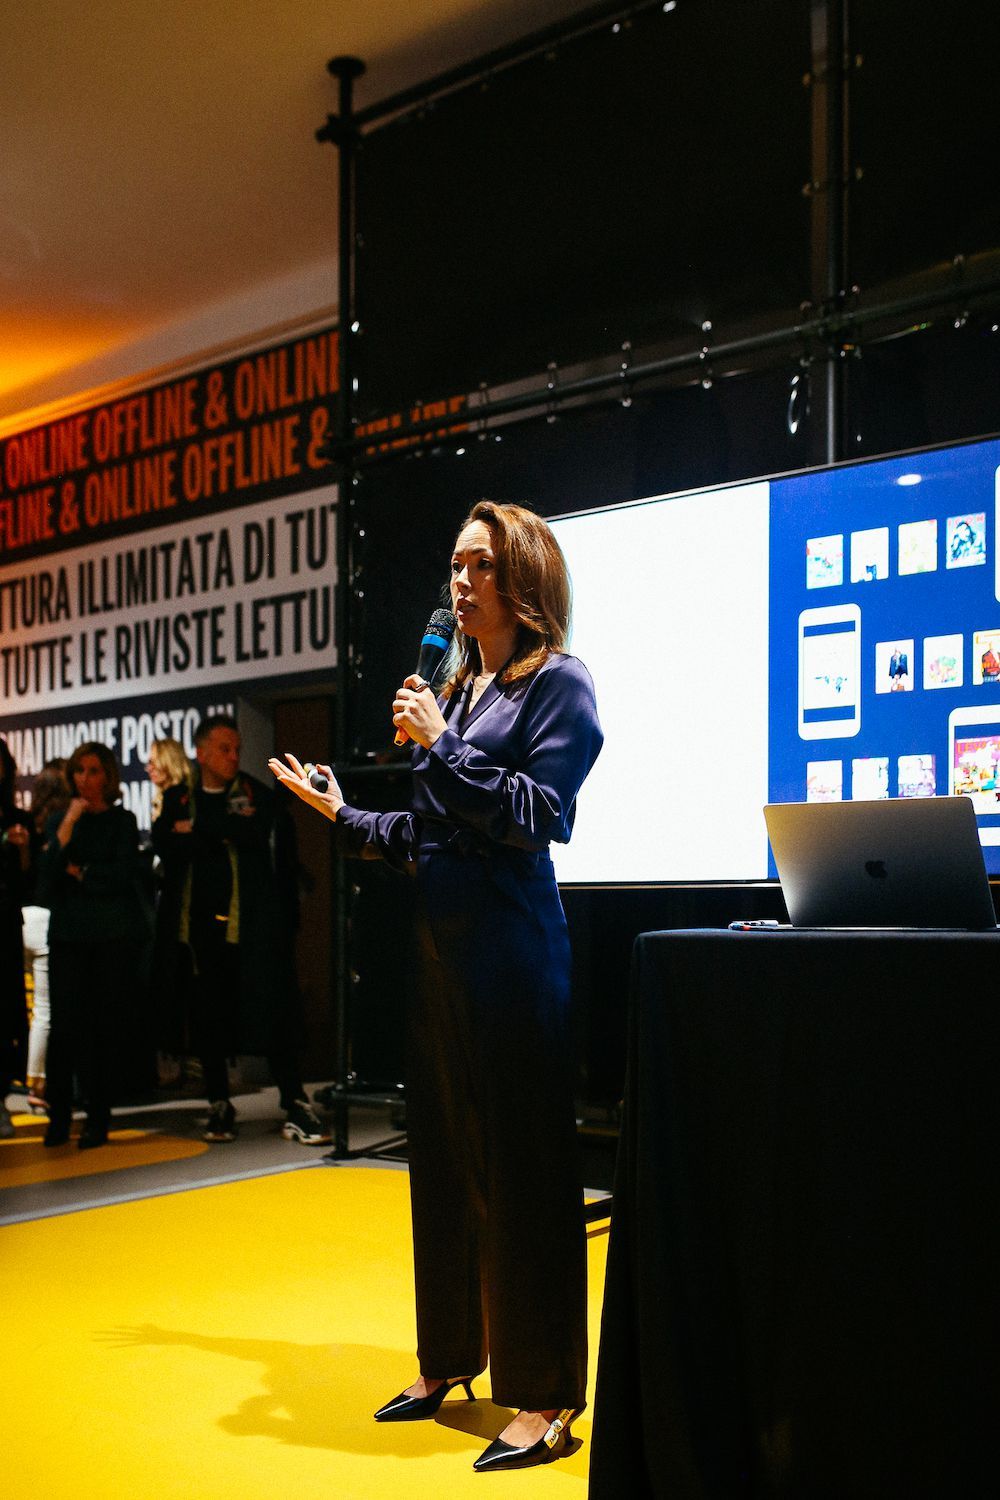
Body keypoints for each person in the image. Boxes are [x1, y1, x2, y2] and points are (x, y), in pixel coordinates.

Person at [270, 500, 604, 1473]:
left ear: (524, 575)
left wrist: (439, 745)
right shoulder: (457, 692)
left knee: (525, 1179)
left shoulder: (558, 684)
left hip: (513, 958)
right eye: (455, 565)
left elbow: (538, 814)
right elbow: (426, 836)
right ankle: (448, 1358)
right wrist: (340, 812)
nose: (460, 582)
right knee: (446, 1169)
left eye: (480, 565)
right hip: (439, 957)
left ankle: (545, 1394)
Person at [152, 714, 328, 1146]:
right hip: (199, 934)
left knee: (274, 1014)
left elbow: (251, 831)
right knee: (208, 1018)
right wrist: (217, 831)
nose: (234, 757)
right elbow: (167, 844)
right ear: (201, 753)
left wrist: (200, 830)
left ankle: (295, 1103)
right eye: (224, 749)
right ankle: (219, 1103)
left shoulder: (254, 794)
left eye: (237, 749)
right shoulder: (178, 798)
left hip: (252, 930)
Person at [38, 742, 149, 1149]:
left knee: (102, 1029)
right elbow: (47, 878)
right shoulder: (60, 820)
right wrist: (67, 827)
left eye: (94, 770)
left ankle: (97, 1118)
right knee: (63, 1028)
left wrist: (81, 871)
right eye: (79, 771)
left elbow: (120, 876)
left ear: (108, 776)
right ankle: (58, 1116)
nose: (85, 779)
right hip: (68, 936)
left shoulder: (122, 821)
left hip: (110, 937)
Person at [21, 760, 71, 1111]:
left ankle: (30, 1079)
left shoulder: (26, 825)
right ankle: (38, 1084)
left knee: (30, 1009)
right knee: (45, 1011)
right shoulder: (62, 827)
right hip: (46, 921)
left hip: (21, 919)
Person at [146, 737, 196, 1079]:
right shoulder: (164, 800)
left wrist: (177, 831)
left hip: (184, 903)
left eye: (154, 761)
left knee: (180, 981)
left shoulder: (182, 797)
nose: (149, 768)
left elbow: (178, 843)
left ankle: (181, 1058)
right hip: (169, 903)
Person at [1, 739, 35, 1139]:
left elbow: (30, 880)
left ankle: (5, 1092)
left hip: (7, 922)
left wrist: (23, 852)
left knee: (9, 1009)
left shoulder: (17, 818)